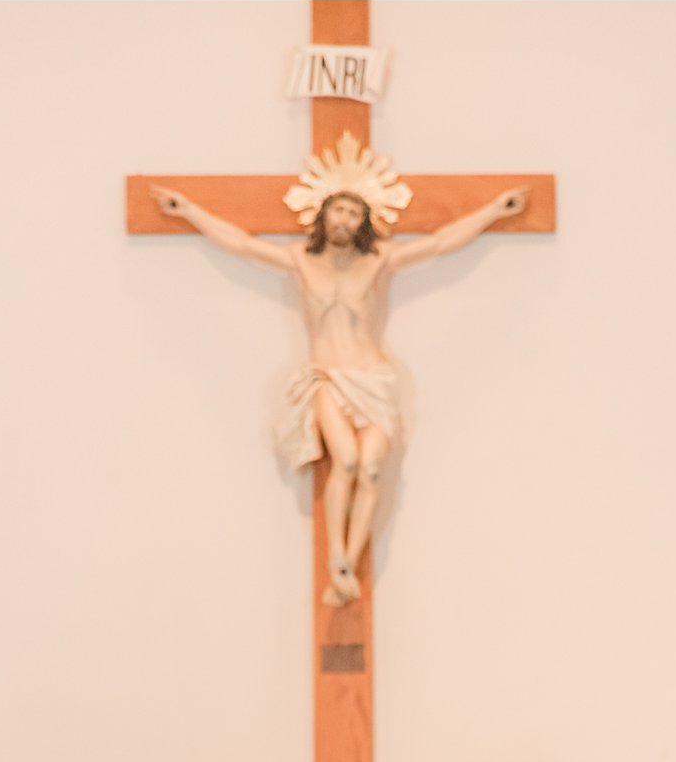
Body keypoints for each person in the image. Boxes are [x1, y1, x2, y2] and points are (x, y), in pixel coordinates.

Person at [148, 180, 527, 604]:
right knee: (344, 461)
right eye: (337, 210)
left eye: (353, 212)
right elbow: (241, 244)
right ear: (323, 214)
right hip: (328, 377)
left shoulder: (378, 261)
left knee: (373, 469)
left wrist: (495, 209)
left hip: (374, 379)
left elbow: (440, 244)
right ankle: (338, 560)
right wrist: (188, 211)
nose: (343, 219)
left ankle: (349, 562)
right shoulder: (300, 261)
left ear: (363, 222)